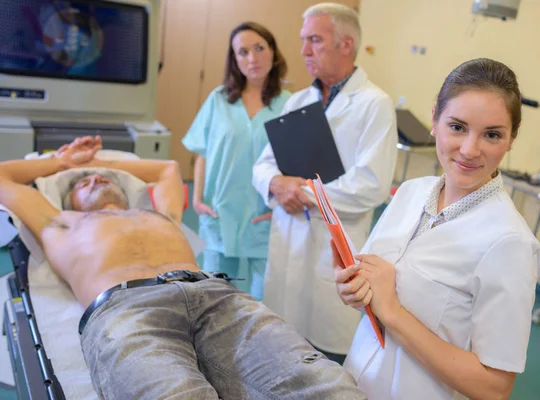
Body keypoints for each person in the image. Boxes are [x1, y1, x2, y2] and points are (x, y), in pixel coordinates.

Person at [0, 136, 367, 400]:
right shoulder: (59, 223)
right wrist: (66, 163)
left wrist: (100, 163)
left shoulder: (160, 213)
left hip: (216, 295)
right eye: (83, 182)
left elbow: (167, 168)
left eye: (105, 177)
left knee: (330, 388)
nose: (96, 178)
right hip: (127, 310)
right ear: (68, 200)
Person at [336, 58, 540, 400]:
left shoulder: (511, 243)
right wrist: (354, 290)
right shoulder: (410, 192)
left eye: (492, 134)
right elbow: (371, 280)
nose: (469, 150)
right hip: (356, 380)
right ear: (435, 120)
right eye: (457, 127)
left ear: (511, 139)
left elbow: (493, 388)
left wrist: (393, 313)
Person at [252, 3, 397, 363]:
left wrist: (298, 192)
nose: (303, 51)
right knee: (279, 343)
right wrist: (275, 183)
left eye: (314, 40)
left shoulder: (374, 104)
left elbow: (371, 184)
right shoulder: (299, 100)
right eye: (304, 41)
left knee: (326, 359)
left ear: (346, 44)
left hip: (333, 250)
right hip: (289, 239)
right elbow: (263, 164)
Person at [182, 22, 291, 301]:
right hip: (219, 210)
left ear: (273, 52)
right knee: (215, 296)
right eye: (242, 52)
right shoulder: (219, 100)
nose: (252, 59)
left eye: (259, 48)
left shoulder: (289, 103)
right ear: (234, 60)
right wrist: (197, 200)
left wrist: (279, 206)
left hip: (265, 214)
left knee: (263, 300)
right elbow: (202, 152)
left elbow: (296, 164)